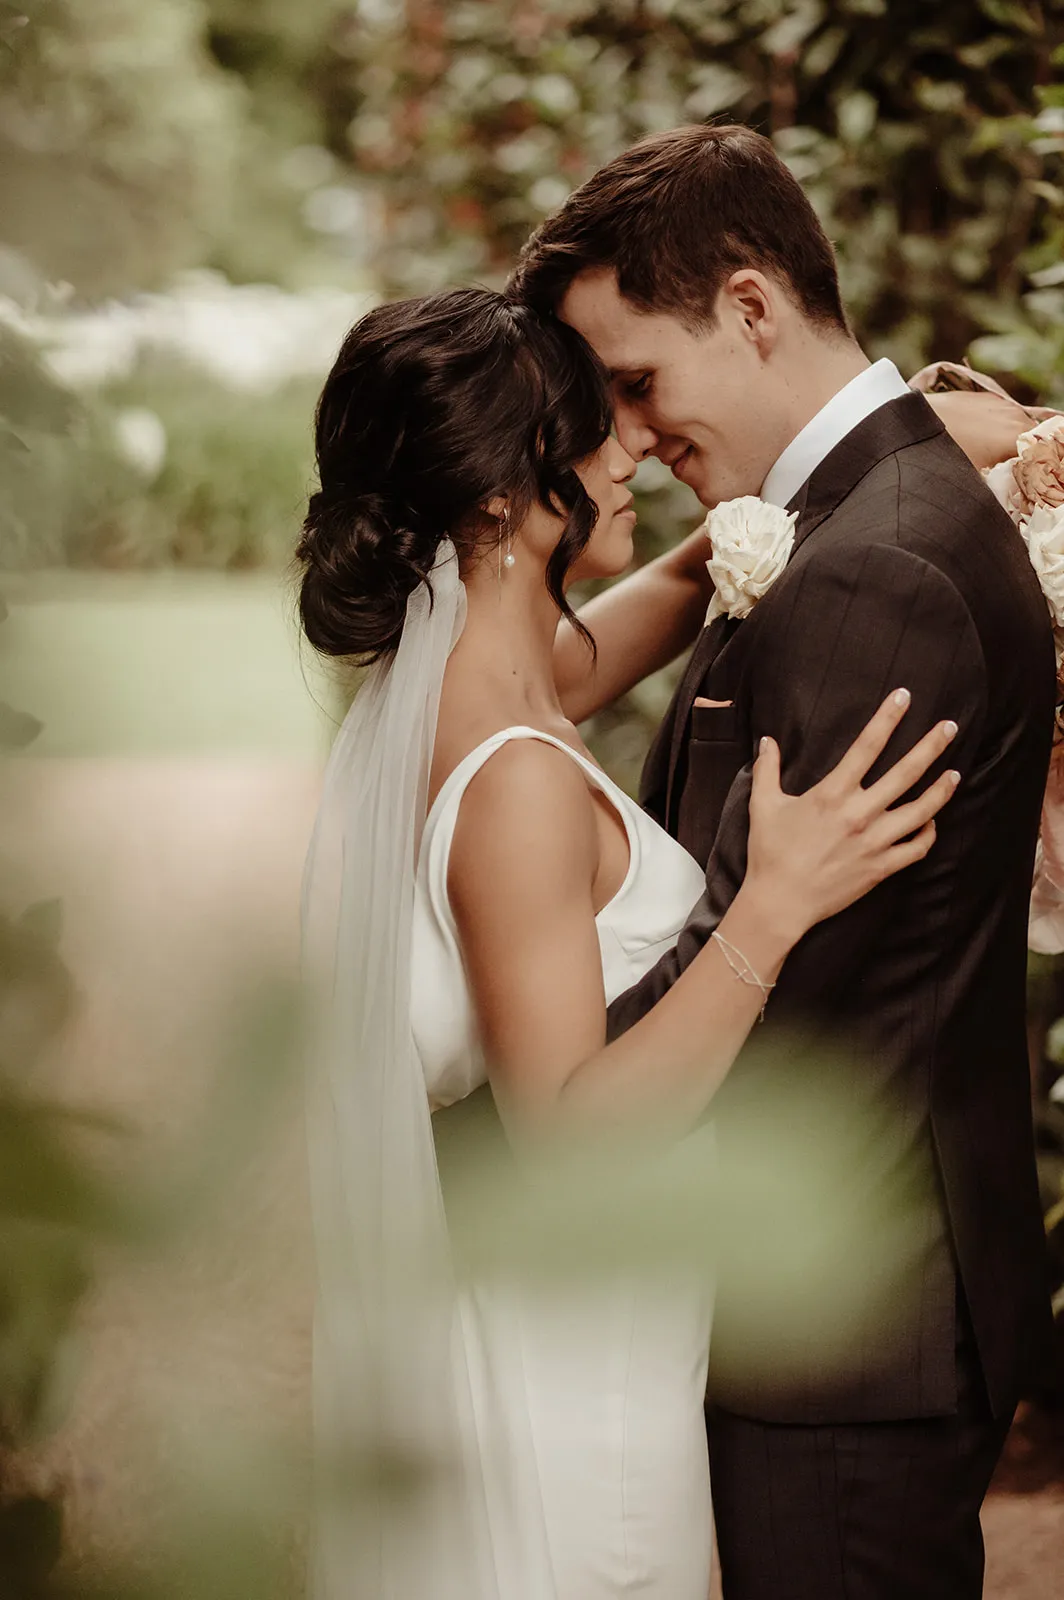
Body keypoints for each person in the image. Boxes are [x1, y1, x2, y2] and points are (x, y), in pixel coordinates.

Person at [296, 287, 965, 1600]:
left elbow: (608, 639)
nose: (631, 452)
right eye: (590, 429)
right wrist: (769, 908)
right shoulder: (518, 790)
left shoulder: (475, 678)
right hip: (568, 1360)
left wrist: (878, 450)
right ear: (499, 496)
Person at [511, 121, 1057, 1600]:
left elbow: (786, 976)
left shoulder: (874, 563)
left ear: (750, 308)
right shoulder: (841, 525)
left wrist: (530, 1102)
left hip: (846, 1319)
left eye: (636, 381)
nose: (625, 435)